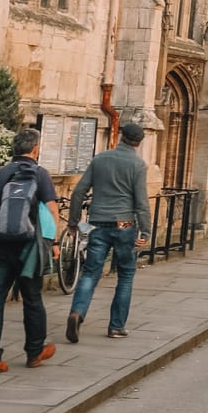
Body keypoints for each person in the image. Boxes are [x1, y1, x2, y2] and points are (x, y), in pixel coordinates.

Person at [0, 125, 59, 374]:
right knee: (33, 299)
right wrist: (54, 243)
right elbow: (52, 209)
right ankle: (34, 352)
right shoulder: (40, 174)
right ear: (35, 149)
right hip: (29, 248)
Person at [65, 120, 151, 343]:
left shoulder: (100, 159)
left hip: (98, 221)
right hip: (124, 223)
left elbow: (79, 192)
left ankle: (77, 312)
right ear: (139, 142)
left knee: (91, 272)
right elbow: (141, 202)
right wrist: (145, 232)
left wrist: (73, 222)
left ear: (121, 136)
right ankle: (116, 326)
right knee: (125, 274)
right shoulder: (138, 165)